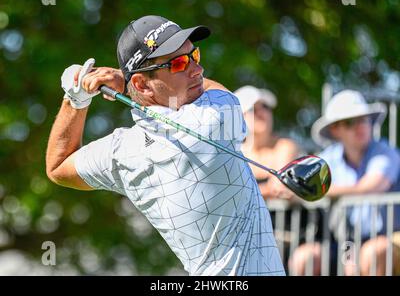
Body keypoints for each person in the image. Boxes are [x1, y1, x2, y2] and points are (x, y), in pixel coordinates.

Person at [46, 15, 285, 276]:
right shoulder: (214, 120)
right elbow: (217, 91)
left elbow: (57, 166)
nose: (197, 70)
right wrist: (124, 82)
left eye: (195, 55)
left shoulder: (121, 152)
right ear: (141, 84)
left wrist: (76, 99)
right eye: (179, 63)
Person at [289, 90, 400, 276]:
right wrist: (285, 188)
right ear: (335, 129)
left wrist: (317, 190)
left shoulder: (385, 152)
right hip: (345, 244)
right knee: (304, 258)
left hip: (389, 238)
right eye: (350, 122)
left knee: (374, 252)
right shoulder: (328, 158)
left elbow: (371, 187)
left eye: (364, 119)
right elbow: (295, 185)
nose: (360, 126)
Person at [234, 86, 300, 200]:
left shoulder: (284, 146)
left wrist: (243, 192)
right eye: (253, 108)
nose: (261, 112)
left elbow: (279, 186)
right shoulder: (236, 152)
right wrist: (267, 189)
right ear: (240, 117)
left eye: (265, 106)